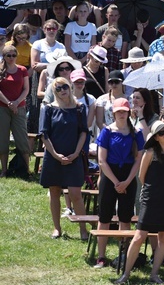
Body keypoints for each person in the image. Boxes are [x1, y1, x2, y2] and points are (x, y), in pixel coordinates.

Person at [115, 115, 164, 285]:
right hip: (151, 199)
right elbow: (141, 177)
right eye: (161, 132)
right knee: (139, 237)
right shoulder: (150, 153)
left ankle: (154, 273)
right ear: (155, 138)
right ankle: (126, 274)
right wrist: (151, 193)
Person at [93, 98, 144, 269]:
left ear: (129, 112)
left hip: (128, 175)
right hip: (110, 176)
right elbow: (102, 161)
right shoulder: (107, 131)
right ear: (113, 113)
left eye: (124, 111)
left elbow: (138, 160)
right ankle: (101, 256)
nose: (122, 114)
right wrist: (117, 183)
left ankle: (124, 255)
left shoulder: (136, 132)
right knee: (105, 216)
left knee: (125, 217)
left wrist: (128, 181)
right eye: (119, 111)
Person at [39, 77, 88, 240]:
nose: (62, 91)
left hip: (74, 156)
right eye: (58, 88)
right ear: (54, 92)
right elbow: (44, 134)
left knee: (76, 193)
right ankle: (57, 228)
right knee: (54, 191)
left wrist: (75, 153)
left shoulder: (80, 108)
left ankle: (83, 229)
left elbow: (83, 132)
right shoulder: (49, 108)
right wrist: (55, 155)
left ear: (70, 87)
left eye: (64, 87)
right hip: (54, 156)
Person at [0, 44, 30, 176]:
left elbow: (26, 89)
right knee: (2, 140)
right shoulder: (0, 70)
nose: (11, 58)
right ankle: (4, 169)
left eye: (13, 55)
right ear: (4, 57)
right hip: (2, 108)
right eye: (8, 55)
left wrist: (16, 103)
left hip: (20, 107)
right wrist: (8, 103)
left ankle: (26, 169)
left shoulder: (22, 70)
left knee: (22, 139)